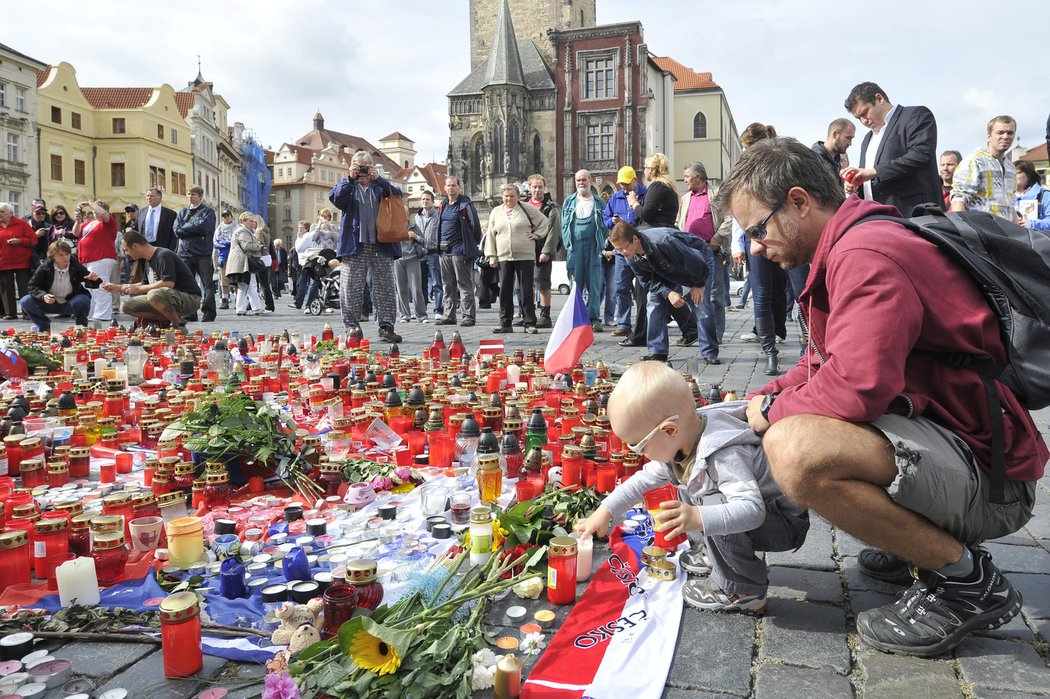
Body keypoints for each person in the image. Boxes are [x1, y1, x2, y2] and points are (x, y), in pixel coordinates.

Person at [714, 136, 1046, 658]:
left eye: (757, 228)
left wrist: (774, 411)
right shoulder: (850, 244)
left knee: (797, 449)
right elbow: (822, 362)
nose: (754, 246)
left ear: (799, 202)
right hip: (963, 446)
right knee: (781, 422)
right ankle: (915, 541)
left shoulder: (866, 256)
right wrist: (756, 398)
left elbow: (857, 387)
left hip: (992, 480)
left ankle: (966, 582)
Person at [576, 361, 809, 613]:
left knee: (708, 504)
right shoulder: (683, 442)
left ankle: (743, 590)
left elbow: (752, 510)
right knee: (688, 488)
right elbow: (643, 479)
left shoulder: (722, 454)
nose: (638, 454)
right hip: (755, 515)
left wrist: (698, 517)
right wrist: (605, 511)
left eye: (638, 445)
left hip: (781, 523)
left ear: (669, 430)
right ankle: (717, 555)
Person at [609, 221, 710, 364]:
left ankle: (709, 352)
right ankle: (657, 351)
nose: (622, 253)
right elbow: (647, 282)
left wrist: (699, 284)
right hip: (666, 267)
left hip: (698, 258)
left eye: (623, 248)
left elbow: (694, 260)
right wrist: (669, 293)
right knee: (654, 300)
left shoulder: (663, 242)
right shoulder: (630, 257)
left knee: (701, 305)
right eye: (617, 250)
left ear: (635, 239)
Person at [329, 151, 404, 343]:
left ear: (371, 167)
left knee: (385, 287)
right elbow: (337, 199)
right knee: (350, 288)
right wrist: (350, 178)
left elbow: (397, 195)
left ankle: (386, 327)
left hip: (381, 244)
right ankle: (352, 328)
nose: (361, 171)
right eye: (357, 166)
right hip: (355, 245)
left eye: (364, 167)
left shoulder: (380, 187)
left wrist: (379, 179)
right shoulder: (347, 186)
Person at [842, 82, 942, 216]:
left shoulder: (914, 115)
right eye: (858, 118)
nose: (863, 121)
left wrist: (874, 172)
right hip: (877, 218)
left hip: (913, 214)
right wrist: (855, 185)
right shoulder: (867, 139)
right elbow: (868, 177)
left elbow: (920, 155)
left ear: (879, 99)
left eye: (865, 113)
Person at [733, 124, 786, 376]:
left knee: (796, 291)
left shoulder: (781, 161)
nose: (746, 152)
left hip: (784, 234)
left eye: (748, 147)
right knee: (762, 294)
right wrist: (737, 243)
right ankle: (770, 352)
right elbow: (736, 207)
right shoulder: (744, 169)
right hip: (755, 236)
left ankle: (811, 347)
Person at [677, 161, 732, 365]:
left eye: (686, 177)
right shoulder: (685, 199)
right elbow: (678, 223)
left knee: (713, 297)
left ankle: (713, 339)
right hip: (688, 252)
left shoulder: (716, 195)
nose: (684, 181)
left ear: (698, 177)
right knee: (693, 297)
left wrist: (717, 238)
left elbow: (728, 219)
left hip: (710, 251)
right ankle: (706, 334)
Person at [102, 231, 202, 328]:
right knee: (126, 306)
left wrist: (139, 289)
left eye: (126, 250)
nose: (126, 254)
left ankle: (178, 325)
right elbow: (144, 284)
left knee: (153, 295)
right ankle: (169, 319)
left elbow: (168, 283)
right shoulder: (147, 260)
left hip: (190, 298)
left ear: (135, 246)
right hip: (166, 297)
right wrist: (118, 288)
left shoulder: (163, 255)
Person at [485, 183, 547, 334]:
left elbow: (544, 221)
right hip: (503, 256)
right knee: (505, 289)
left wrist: (537, 235)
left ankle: (529, 322)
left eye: (512, 196)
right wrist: (492, 255)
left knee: (526, 289)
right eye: (506, 196)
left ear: (518, 197)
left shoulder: (527, 208)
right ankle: (505, 322)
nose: (508, 199)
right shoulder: (496, 212)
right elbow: (491, 235)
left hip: (524, 255)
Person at [561, 170, 607, 332]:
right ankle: (576, 318)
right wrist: (568, 244)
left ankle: (594, 319)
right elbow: (563, 225)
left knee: (595, 285)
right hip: (575, 250)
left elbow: (606, 226)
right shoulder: (569, 202)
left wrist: (602, 244)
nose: (581, 183)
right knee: (575, 285)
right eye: (578, 180)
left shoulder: (599, 202)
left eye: (584, 180)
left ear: (590, 180)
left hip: (594, 249)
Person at [20, 240, 101, 331]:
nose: (65, 258)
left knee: (83, 300)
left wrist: (94, 280)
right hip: (50, 302)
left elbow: (91, 281)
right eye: (61, 255)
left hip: (70, 302)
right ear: (53, 256)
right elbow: (32, 286)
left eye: (67, 254)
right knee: (25, 301)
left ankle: (81, 327)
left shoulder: (76, 266)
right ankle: (45, 326)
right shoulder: (44, 268)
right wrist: (43, 296)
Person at [950, 116, 1018, 221]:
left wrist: (1017, 233)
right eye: (1000, 132)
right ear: (989, 136)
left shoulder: (1011, 168)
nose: (1005, 136)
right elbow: (959, 199)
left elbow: (1010, 204)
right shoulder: (974, 161)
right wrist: (964, 232)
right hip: (981, 231)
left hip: (1005, 233)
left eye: (1010, 133)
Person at [435, 176, 482, 328]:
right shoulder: (443, 204)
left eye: (453, 185)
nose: (450, 188)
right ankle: (449, 315)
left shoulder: (465, 204)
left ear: (459, 187)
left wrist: (469, 245)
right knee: (447, 285)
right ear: (444, 187)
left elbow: (475, 227)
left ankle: (468, 316)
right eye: (448, 185)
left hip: (460, 250)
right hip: (444, 251)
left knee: (464, 284)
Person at [604, 166, 646, 338]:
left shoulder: (645, 195)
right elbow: (605, 219)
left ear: (635, 180)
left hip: (640, 249)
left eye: (627, 183)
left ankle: (644, 323)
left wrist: (626, 222)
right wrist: (612, 222)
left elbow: (646, 218)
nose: (624, 187)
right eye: (621, 183)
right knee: (621, 288)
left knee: (644, 288)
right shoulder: (616, 197)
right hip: (622, 253)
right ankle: (623, 323)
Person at [71, 200, 119, 326]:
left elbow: (102, 214)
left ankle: (102, 314)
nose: (95, 211)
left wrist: (90, 202)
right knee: (88, 287)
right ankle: (92, 312)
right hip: (87, 259)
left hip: (101, 257)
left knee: (100, 286)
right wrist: (77, 221)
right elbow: (76, 233)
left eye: (97, 209)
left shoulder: (109, 222)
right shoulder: (89, 223)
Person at [173, 185, 217, 322]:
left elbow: (204, 228)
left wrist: (185, 228)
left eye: (193, 194)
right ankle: (190, 312)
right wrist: (191, 229)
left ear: (200, 196)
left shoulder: (208, 212)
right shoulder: (182, 212)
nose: (191, 196)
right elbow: (176, 230)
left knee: (207, 284)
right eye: (188, 194)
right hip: (185, 253)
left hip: (202, 252)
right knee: (187, 285)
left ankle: (209, 312)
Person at [526, 175, 560, 329]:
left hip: (542, 251)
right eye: (534, 187)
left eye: (540, 187)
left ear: (544, 188)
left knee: (542, 283)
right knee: (526, 284)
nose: (537, 190)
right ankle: (528, 314)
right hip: (526, 251)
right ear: (529, 188)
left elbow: (554, 232)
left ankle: (545, 316)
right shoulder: (524, 205)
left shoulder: (550, 208)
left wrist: (546, 251)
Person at [292, 210, 339, 312]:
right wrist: (319, 227)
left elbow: (337, 239)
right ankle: (309, 305)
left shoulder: (333, 227)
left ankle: (326, 304)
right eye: (323, 216)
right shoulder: (314, 226)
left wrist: (330, 228)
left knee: (329, 280)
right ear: (319, 217)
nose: (325, 218)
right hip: (318, 254)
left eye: (327, 217)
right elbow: (313, 238)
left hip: (330, 254)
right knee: (315, 280)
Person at [223, 212, 266, 316]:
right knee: (246, 285)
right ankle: (247, 308)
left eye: (253, 221)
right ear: (243, 221)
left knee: (248, 285)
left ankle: (250, 308)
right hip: (243, 262)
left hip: (243, 262)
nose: (252, 223)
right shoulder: (242, 231)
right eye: (250, 221)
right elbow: (246, 246)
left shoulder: (244, 231)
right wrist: (259, 246)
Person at [0, 203, 36, 320]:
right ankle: (10, 313)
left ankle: (27, 312)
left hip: (22, 261)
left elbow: (33, 240)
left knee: (24, 288)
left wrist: (19, 241)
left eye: (1, 211)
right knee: (6, 288)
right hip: (3, 262)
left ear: (10, 213)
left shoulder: (21, 223)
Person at [396, 206, 429, 323]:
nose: (402, 215)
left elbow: (424, 241)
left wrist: (415, 236)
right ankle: (404, 315)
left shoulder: (414, 226)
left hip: (412, 258)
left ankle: (422, 315)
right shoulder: (394, 226)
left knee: (416, 288)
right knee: (401, 289)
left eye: (405, 212)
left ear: (407, 214)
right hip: (398, 259)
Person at [415, 191, 443, 321]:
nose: (425, 201)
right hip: (420, 254)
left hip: (433, 252)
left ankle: (438, 310)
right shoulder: (417, 217)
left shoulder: (437, 216)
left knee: (437, 282)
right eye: (423, 199)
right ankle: (423, 309)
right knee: (422, 284)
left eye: (427, 199)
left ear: (432, 202)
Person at [1014, 160, 1050, 232]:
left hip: (1037, 241)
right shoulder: (1004, 196)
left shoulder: (1044, 195)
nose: (1013, 175)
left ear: (1029, 175)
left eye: (1018, 173)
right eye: (1011, 172)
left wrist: (1032, 224)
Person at [213, 210, 237, 309]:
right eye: (224, 217)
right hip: (223, 257)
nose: (226, 218)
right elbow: (216, 242)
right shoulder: (219, 228)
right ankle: (225, 300)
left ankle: (238, 300)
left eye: (227, 216)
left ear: (231, 217)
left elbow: (236, 241)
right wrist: (227, 243)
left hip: (235, 257)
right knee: (223, 281)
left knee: (236, 280)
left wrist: (226, 243)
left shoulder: (237, 227)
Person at [254, 216, 275, 313]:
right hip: (267, 257)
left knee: (261, 283)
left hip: (261, 257)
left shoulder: (258, 232)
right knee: (264, 282)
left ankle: (269, 305)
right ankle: (255, 304)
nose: (252, 224)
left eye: (253, 222)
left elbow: (259, 245)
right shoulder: (266, 231)